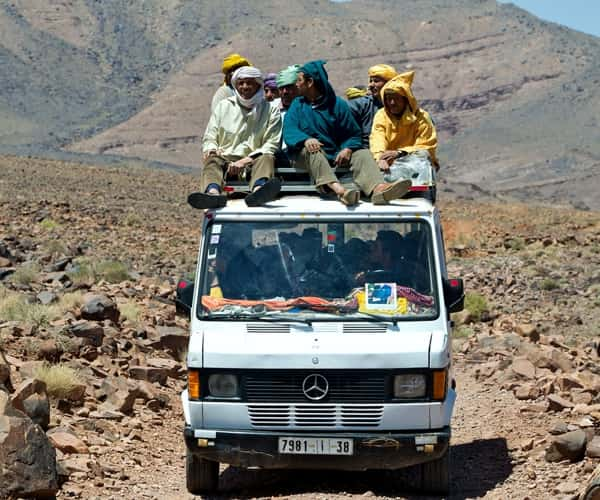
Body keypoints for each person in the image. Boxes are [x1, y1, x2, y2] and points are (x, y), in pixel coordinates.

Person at [282, 59, 410, 206]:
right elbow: (289, 130)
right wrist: (305, 140)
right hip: (305, 156)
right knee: (313, 150)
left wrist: (348, 148)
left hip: (334, 155)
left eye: (299, 80)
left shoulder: (337, 105)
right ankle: (340, 191)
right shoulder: (297, 105)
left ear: (310, 82)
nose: (296, 84)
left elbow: (353, 134)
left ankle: (378, 189)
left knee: (362, 153)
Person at [188, 66, 282, 209]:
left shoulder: (270, 111)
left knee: (267, 157)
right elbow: (210, 135)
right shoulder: (224, 107)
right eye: (241, 83)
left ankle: (259, 192)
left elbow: (271, 143)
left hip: (253, 161)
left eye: (249, 83)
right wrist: (211, 149)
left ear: (258, 84)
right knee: (212, 160)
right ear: (235, 85)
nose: (245, 87)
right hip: (226, 160)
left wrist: (245, 161)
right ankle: (213, 194)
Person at [370, 71, 439, 172]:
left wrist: (400, 153)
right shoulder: (381, 115)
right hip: (388, 163)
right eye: (389, 99)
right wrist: (380, 156)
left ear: (406, 100)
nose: (392, 103)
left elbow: (426, 146)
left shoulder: (421, 117)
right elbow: (377, 138)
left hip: (416, 163)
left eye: (396, 99)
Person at [348, 64, 397, 149]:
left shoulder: (401, 107)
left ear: (389, 83)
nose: (370, 85)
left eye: (376, 81)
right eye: (370, 81)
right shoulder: (360, 105)